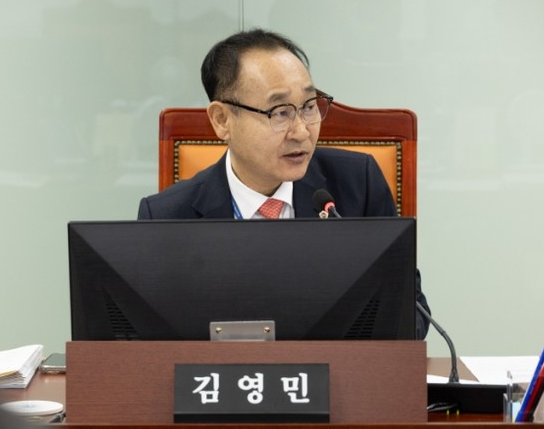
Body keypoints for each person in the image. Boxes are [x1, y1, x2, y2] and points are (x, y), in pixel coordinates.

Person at [138, 28, 430, 338]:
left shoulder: (358, 185)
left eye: (309, 106)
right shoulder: (167, 216)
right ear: (222, 120)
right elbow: (149, 339)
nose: (302, 132)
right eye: (280, 112)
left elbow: (411, 315)